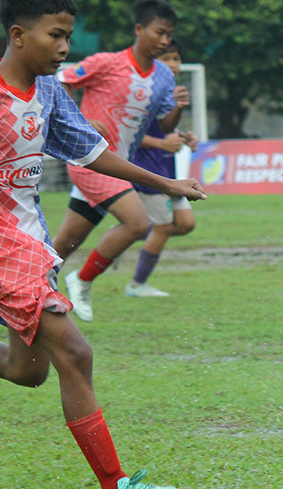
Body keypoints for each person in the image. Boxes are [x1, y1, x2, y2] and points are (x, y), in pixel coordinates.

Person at [0, 0, 205, 489]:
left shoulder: (49, 91)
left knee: (25, 370)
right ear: (17, 35)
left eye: (68, 37)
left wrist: (163, 181)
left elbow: (91, 149)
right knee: (76, 354)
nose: (64, 48)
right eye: (55, 35)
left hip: (33, 244)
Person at [52, 0, 186, 320]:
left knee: (66, 242)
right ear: (139, 29)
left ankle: (18, 289)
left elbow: (165, 125)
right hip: (89, 159)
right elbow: (62, 80)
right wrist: (79, 120)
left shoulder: (164, 77)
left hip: (117, 165)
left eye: (169, 35)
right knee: (138, 223)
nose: (165, 40)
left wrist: (179, 107)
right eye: (160, 32)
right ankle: (81, 281)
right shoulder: (106, 62)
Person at [125, 38, 198, 298]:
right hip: (148, 168)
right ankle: (136, 285)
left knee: (186, 223)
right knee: (164, 227)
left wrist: (184, 136)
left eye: (176, 58)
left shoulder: (171, 90)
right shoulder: (147, 91)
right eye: (166, 58)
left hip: (167, 170)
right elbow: (127, 132)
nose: (173, 64)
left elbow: (166, 128)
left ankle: (125, 237)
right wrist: (161, 143)